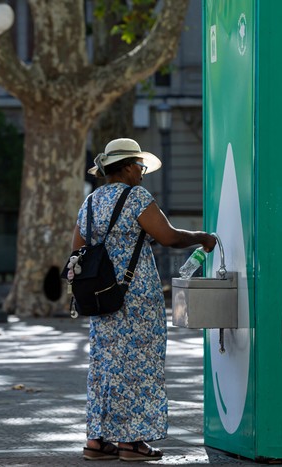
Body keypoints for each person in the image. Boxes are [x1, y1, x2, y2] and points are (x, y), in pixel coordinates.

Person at [72, 138, 216, 462]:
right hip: (134, 297)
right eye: (140, 166)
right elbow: (169, 236)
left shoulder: (91, 202)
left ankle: (96, 440)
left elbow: (76, 249)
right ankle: (131, 443)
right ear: (125, 168)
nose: (143, 173)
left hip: (101, 299)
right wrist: (203, 238)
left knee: (103, 367)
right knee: (139, 367)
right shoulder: (136, 197)